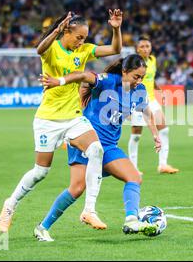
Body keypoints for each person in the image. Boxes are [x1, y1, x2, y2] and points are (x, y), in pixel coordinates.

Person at [0, 9, 123, 233]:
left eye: (85, 38)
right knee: (40, 172)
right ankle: (10, 204)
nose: (82, 42)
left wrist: (116, 28)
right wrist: (55, 30)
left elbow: (115, 49)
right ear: (66, 31)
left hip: (74, 117)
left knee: (96, 149)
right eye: (79, 37)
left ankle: (89, 210)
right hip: (48, 119)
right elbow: (39, 49)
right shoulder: (52, 48)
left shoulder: (84, 51)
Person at [33, 54, 162, 241]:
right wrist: (59, 81)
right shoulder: (108, 81)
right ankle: (43, 227)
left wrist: (155, 134)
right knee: (77, 188)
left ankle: (131, 220)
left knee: (133, 177)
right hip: (86, 142)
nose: (139, 81)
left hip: (109, 146)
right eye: (136, 76)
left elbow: (147, 111)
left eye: (142, 77)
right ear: (124, 72)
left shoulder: (139, 90)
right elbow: (84, 76)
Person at [128, 36, 179, 175]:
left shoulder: (153, 60)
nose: (145, 49)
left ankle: (163, 165)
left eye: (147, 46)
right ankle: (133, 168)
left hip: (151, 99)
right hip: (137, 101)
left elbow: (151, 77)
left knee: (164, 130)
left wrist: (158, 89)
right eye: (142, 47)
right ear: (137, 49)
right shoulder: (133, 63)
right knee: (137, 134)